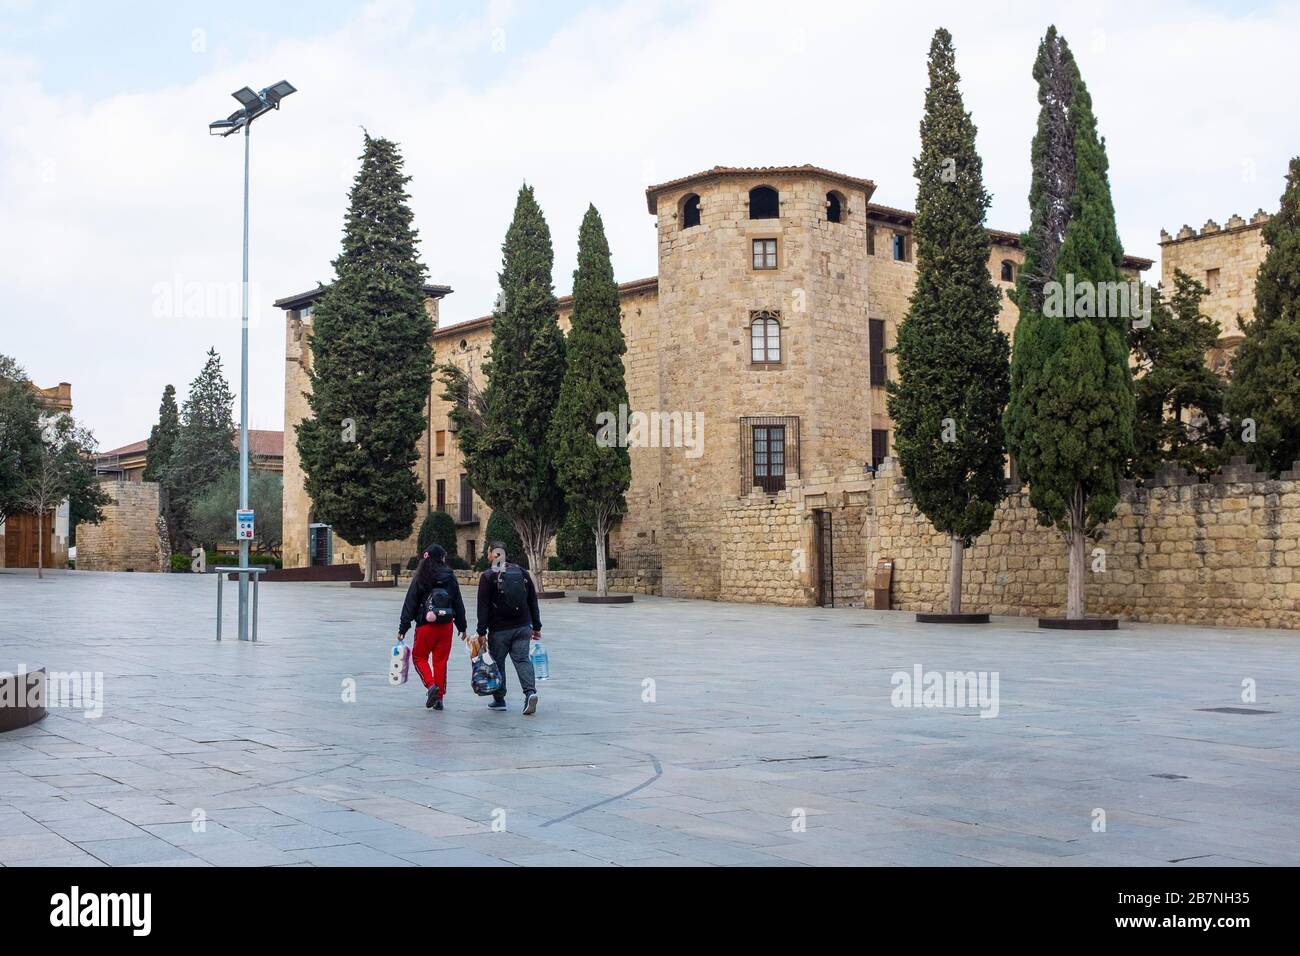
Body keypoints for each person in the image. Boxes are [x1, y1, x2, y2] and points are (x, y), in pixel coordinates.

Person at [476, 540, 542, 715]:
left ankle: (499, 699)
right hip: (522, 626)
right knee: (522, 660)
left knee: (498, 663)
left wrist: (481, 632)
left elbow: (482, 606)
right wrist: (536, 626)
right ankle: (530, 693)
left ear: (493, 554)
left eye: (489, 552)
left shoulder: (488, 576)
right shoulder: (522, 572)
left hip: (499, 630)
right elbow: (532, 601)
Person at [398, 544, 466, 711]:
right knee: (440, 661)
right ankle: (439, 698)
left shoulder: (421, 577)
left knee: (419, 657)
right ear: (441, 558)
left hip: (425, 626)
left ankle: (430, 686)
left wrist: (403, 628)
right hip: (446, 625)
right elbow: (458, 602)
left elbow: (410, 603)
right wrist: (462, 626)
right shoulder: (450, 577)